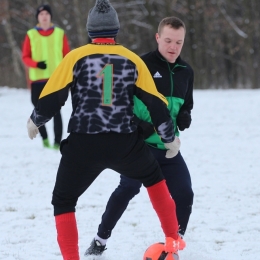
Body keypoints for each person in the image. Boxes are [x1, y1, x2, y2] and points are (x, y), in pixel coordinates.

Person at [26, 1, 186, 259]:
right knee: (156, 180)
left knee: (64, 201)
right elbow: (155, 103)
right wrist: (169, 137)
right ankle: (173, 241)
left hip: (84, 143)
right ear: (116, 30)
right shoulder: (132, 59)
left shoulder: (75, 57)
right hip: (124, 142)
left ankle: (71, 257)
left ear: (90, 30)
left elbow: (54, 95)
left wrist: (37, 119)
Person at [85, 16, 194, 256]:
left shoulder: (187, 72)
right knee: (128, 189)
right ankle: (100, 240)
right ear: (157, 38)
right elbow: (118, 103)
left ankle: (175, 241)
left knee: (185, 192)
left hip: (169, 147)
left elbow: (187, 105)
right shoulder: (140, 65)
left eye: (179, 42)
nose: (173, 47)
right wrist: (140, 126)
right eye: (168, 40)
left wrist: (185, 115)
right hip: (138, 147)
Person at [22, 4, 70, 149]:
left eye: (46, 14)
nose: (44, 16)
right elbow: (25, 57)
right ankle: (44, 139)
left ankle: (57, 142)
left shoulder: (60, 33)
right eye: (41, 14)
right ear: (38, 17)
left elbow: (67, 56)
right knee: (37, 110)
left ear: (50, 16)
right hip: (37, 80)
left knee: (56, 111)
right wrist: (36, 64)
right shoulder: (31, 34)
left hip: (55, 80)